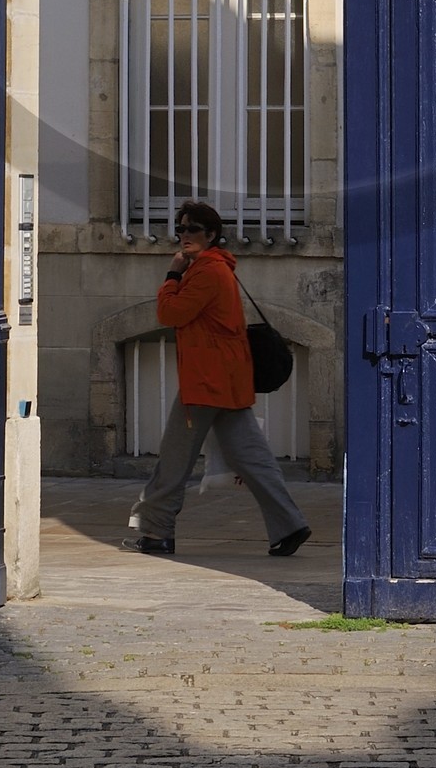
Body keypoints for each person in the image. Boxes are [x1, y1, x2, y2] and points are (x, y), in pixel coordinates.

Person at [124, 199, 311, 560]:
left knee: (174, 460)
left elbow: (170, 313)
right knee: (253, 458)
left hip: (206, 382)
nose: (184, 235)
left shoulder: (208, 271)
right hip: (227, 381)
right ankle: (290, 525)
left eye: (193, 229)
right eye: (180, 228)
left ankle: (157, 532)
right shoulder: (216, 268)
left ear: (211, 234)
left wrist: (172, 275)